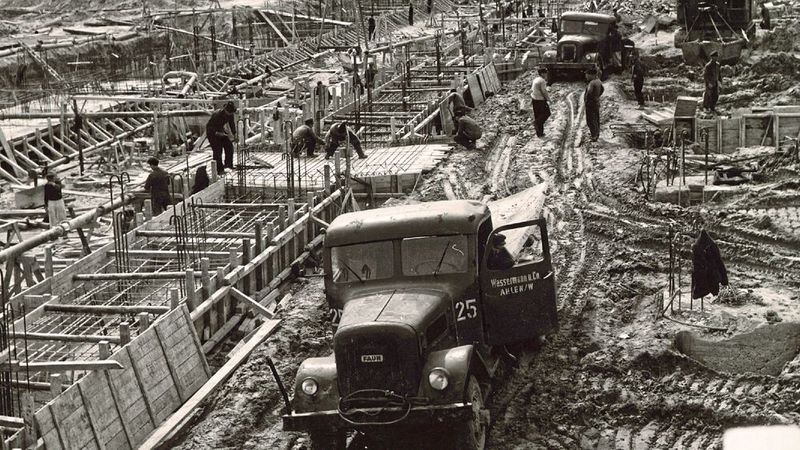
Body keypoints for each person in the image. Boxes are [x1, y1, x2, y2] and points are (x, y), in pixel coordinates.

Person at [206, 101, 237, 174]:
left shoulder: (230, 114)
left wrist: (235, 134)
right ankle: (219, 170)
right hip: (212, 133)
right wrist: (217, 133)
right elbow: (210, 127)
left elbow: (232, 124)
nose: (231, 114)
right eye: (230, 113)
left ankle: (228, 165)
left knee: (229, 146)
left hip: (220, 130)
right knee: (217, 151)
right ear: (226, 110)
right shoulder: (217, 114)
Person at [584, 67, 604, 142]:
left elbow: (589, 92)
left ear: (591, 75)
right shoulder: (598, 81)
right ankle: (597, 133)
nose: (586, 76)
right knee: (596, 118)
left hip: (590, 103)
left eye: (587, 74)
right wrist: (597, 96)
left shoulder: (592, 83)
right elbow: (602, 89)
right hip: (596, 102)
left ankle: (594, 136)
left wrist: (587, 100)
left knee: (590, 120)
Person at [530, 67, 551, 138]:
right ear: (542, 74)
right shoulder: (542, 81)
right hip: (540, 100)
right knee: (547, 113)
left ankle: (540, 133)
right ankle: (536, 123)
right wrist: (548, 99)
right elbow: (544, 91)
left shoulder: (536, 79)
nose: (546, 74)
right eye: (545, 73)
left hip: (534, 99)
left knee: (537, 115)